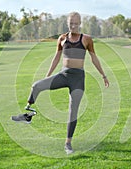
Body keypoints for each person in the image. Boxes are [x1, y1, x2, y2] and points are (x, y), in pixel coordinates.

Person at [12, 12, 109, 154]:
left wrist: (103, 75)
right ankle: (27, 114)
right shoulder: (62, 39)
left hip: (78, 79)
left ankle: (68, 143)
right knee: (36, 86)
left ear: (80, 23)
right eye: (71, 23)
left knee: (73, 111)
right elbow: (56, 58)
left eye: (76, 23)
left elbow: (94, 58)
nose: (73, 26)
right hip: (64, 75)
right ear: (67, 23)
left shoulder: (86, 39)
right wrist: (48, 76)